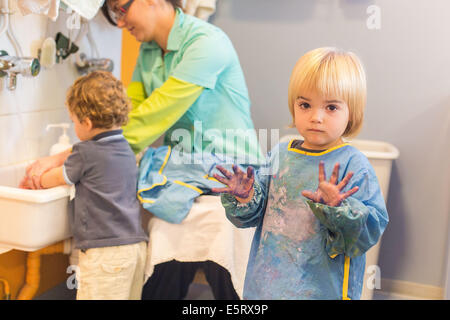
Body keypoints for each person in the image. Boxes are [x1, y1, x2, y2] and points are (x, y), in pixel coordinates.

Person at [21, 0, 261, 300]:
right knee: (163, 275)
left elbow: (152, 118)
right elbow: (123, 118)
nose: (119, 23)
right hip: (185, 179)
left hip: (234, 177)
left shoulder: (207, 43)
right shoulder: (148, 51)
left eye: (121, 9)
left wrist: (62, 158)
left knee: (225, 278)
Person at [212, 47, 389, 300]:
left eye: (331, 107)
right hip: (267, 286)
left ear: (352, 112)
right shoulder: (280, 153)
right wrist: (245, 196)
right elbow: (252, 215)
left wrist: (338, 208)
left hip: (320, 290)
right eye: (305, 104)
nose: (316, 117)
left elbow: (367, 233)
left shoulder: (354, 164)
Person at [21, 71, 148, 300]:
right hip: (135, 249)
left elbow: (59, 178)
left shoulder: (86, 152)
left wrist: (37, 178)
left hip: (104, 255)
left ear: (87, 122)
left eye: (74, 122)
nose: (74, 129)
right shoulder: (126, 149)